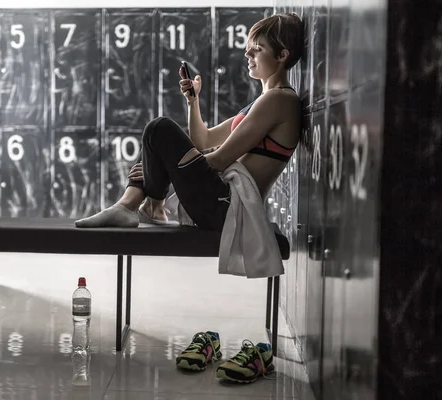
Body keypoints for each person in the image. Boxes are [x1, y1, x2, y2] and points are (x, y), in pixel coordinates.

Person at [76, 12, 304, 383]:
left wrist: (176, 168)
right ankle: (139, 205)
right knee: (162, 139)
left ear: (282, 55)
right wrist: (193, 102)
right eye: (248, 48)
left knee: (159, 130)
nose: (248, 55)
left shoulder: (279, 101)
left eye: (257, 49)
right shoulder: (261, 103)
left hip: (229, 206)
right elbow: (203, 140)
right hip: (221, 200)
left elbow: (218, 159)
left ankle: (135, 205)